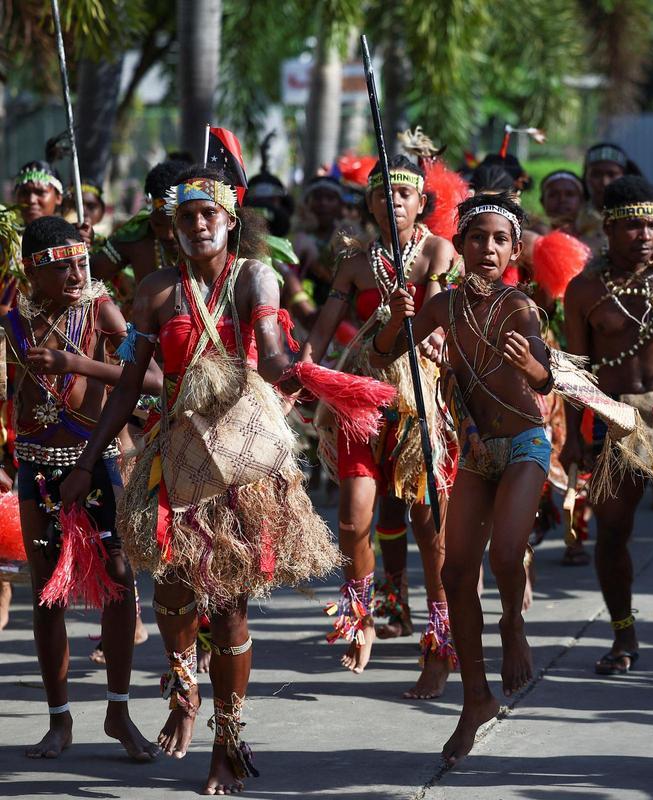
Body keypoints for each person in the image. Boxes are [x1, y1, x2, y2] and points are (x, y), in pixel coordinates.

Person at [59, 165, 339, 795]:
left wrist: (296, 372)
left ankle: (228, 740)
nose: (198, 225)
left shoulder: (254, 277)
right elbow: (130, 381)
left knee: (230, 607)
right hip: (178, 459)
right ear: (172, 226)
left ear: (230, 220)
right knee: (174, 599)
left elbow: (268, 348)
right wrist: (86, 463)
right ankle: (184, 689)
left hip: (239, 465)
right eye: (185, 217)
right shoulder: (155, 292)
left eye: (208, 214)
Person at [370, 192, 552, 765]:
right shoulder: (443, 305)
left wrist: (531, 368)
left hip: (525, 444)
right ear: (461, 247)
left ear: (514, 250)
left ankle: (512, 626)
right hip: (477, 452)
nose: (488, 249)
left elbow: (546, 379)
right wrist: (395, 318)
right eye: (477, 238)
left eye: (500, 240)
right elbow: (383, 354)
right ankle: (475, 697)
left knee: (504, 558)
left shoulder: (520, 306)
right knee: (452, 568)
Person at [6, 215, 162, 762]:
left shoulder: (99, 310)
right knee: (47, 592)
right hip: (35, 469)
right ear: (32, 272)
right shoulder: (12, 321)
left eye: (81, 262)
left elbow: (153, 379)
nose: (76, 273)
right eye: (62, 266)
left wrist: (78, 363)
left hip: (95, 466)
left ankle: (119, 711)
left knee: (119, 580)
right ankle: (58, 719)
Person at [300, 155, 457, 691]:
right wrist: (304, 369)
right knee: (352, 517)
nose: (392, 202)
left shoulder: (437, 251)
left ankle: (440, 641)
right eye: (382, 194)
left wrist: (412, 314)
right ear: (367, 204)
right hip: (361, 397)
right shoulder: (353, 262)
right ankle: (360, 618)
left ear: (421, 204)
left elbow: (436, 320)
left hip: (418, 401)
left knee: (427, 523)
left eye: (404, 195)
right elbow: (321, 331)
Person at [562, 176, 653, 675]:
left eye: (652, 224)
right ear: (608, 227)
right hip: (613, 419)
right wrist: (571, 440)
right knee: (612, 531)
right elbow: (574, 372)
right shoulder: (583, 289)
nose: (645, 234)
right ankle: (623, 634)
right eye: (632, 226)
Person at [91, 159, 189, 292]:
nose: (168, 235)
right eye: (158, 224)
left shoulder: (210, 240)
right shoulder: (136, 236)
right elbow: (88, 277)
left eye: (174, 225)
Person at [292, 175, 348, 306]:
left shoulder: (351, 237)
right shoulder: (295, 238)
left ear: (340, 205)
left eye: (330, 198)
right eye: (317, 198)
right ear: (307, 203)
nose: (323, 203)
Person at [576, 143, 638, 250]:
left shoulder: (639, 218)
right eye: (596, 174)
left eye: (612, 174)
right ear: (585, 177)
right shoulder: (573, 217)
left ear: (624, 177)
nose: (604, 182)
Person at [12, 161, 64, 226]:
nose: (31, 200)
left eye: (40, 192)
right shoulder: (6, 235)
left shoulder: (71, 235)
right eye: (24, 192)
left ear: (58, 197)